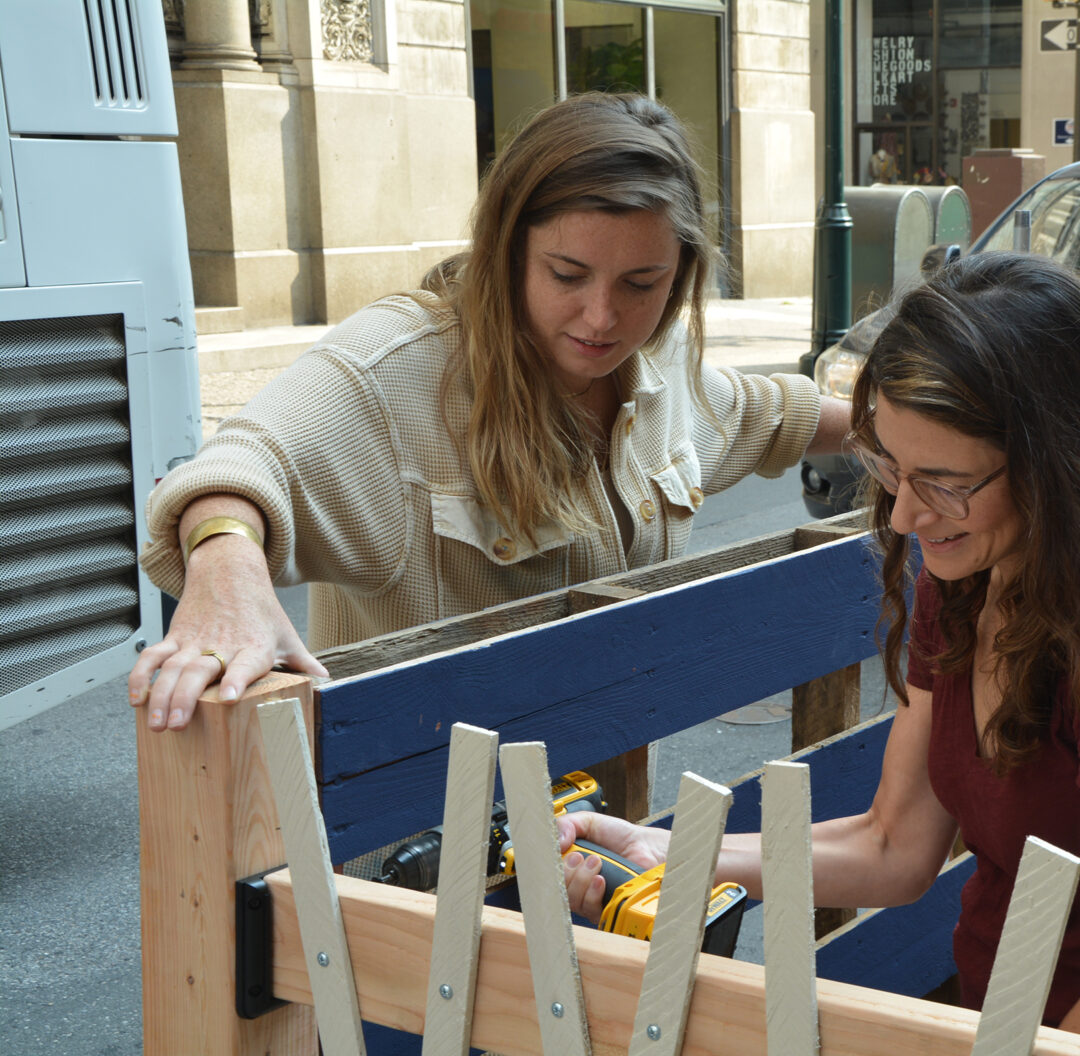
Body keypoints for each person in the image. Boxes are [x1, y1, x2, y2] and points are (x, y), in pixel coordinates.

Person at [556, 252, 1080, 1056]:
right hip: (999, 1027)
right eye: (891, 468)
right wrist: (673, 853)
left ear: (1061, 466)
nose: (904, 516)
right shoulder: (971, 578)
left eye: (945, 481)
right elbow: (894, 845)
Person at [130, 93, 850, 732]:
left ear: (682, 273)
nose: (602, 316)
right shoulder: (400, 366)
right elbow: (238, 463)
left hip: (594, 832)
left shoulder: (658, 370)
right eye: (567, 275)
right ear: (507, 250)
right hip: (410, 842)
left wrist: (904, 427)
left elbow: (769, 412)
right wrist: (227, 578)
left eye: (642, 282)